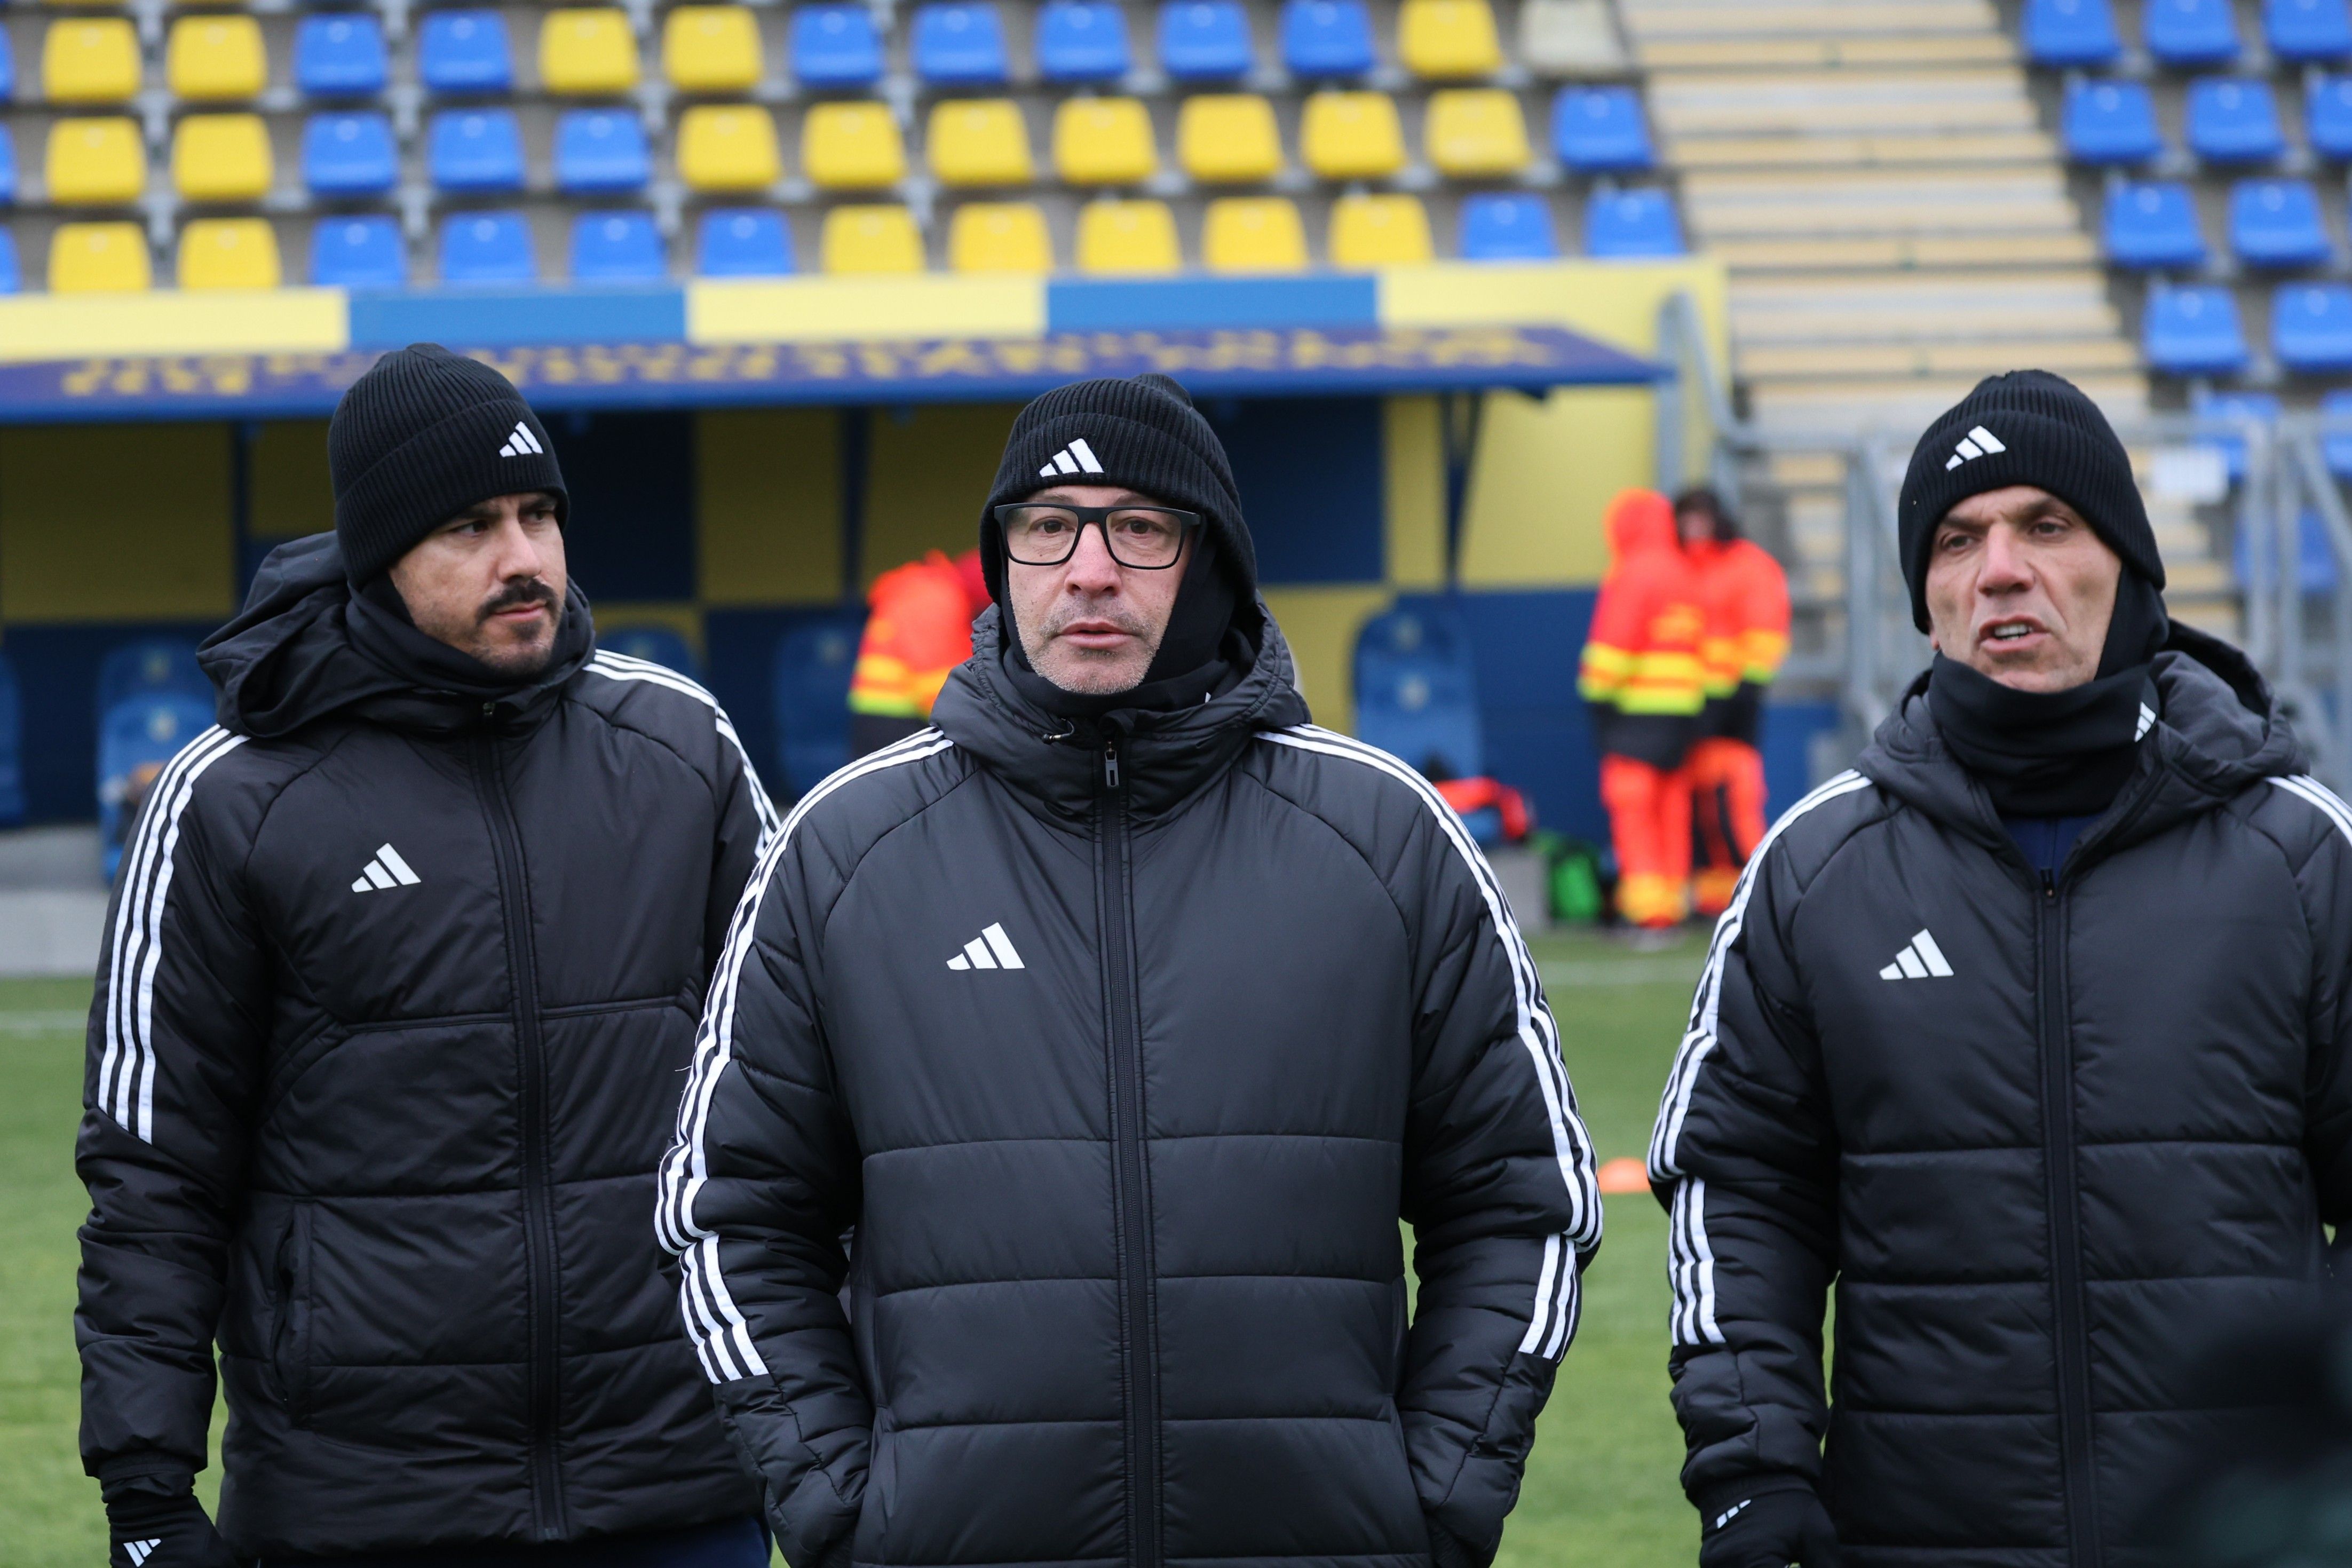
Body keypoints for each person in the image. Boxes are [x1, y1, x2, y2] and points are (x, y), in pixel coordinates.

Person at [657, 373, 1603, 1568]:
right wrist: (845, 1512)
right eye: (1047, 526)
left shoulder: (1384, 837)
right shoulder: (845, 851)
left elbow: (1521, 1196)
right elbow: (733, 1210)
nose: (1088, 571)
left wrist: (1435, 1494)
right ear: (1001, 558)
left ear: (1211, 559)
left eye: (1139, 528)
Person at [76, 346, 771, 1567]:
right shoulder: (233, 796)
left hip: (679, 1481)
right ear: (379, 554)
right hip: (366, 1504)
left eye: (539, 513)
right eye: (468, 526)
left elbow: (807, 1098)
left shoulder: (680, 749)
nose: (523, 556)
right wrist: (146, 1489)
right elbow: (154, 1170)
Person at [1647, 369, 2352, 1568]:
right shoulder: (1817, 869)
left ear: (2127, 564)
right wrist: (1754, 1467)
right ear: (1927, 598)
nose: (2000, 570)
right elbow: (1738, 1188)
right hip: (1917, 1536)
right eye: (1957, 539)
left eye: (2046, 525)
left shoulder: (2297, 855)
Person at [1580, 488, 1706, 930]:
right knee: (1672, 811)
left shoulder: (1632, 573)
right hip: (1682, 715)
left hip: (1633, 716)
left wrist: (1595, 694)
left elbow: (1611, 648)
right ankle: (1673, 902)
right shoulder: (1684, 570)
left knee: (1634, 811)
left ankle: (1647, 909)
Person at [1676, 488, 1789, 918]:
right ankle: (1714, 898)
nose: (1693, 527)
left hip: (1733, 704)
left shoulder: (1747, 565)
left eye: (1700, 517)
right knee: (1699, 806)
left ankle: (1756, 893)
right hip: (1686, 706)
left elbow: (1764, 636)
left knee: (1734, 802)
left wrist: (1744, 692)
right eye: (1686, 518)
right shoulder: (1680, 567)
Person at [846, 547, 992, 758]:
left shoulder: (927, 591)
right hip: (897, 720)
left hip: (884, 715)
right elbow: (936, 685)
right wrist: (982, 727)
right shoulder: (936, 600)